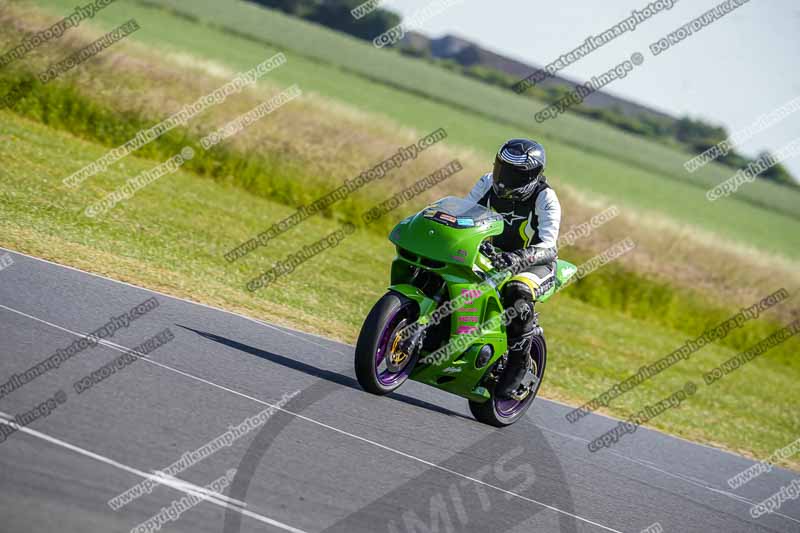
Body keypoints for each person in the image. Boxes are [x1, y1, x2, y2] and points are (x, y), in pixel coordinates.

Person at [466, 138, 561, 399]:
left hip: (535, 264)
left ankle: (518, 363)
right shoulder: (486, 182)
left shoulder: (545, 197)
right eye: (502, 169)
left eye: (514, 174)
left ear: (531, 176)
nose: (504, 180)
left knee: (517, 290)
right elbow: (465, 214)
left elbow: (549, 246)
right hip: (494, 256)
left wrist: (517, 258)